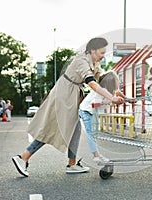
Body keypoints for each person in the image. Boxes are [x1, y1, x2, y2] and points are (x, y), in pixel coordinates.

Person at [12, 37, 124, 177]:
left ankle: (72, 164)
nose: (103, 56)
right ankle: (23, 157)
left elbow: (102, 78)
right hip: (64, 96)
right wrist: (111, 97)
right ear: (93, 50)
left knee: (75, 129)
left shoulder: (93, 62)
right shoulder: (81, 61)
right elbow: (92, 83)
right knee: (51, 128)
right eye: (101, 52)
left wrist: (117, 91)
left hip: (71, 95)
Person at [79, 70, 121, 163]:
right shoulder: (102, 91)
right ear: (112, 82)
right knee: (91, 133)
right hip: (86, 111)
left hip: (92, 112)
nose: (119, 82)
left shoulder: (110, 92)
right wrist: (104, 102)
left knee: (94, 133)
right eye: (117, 80)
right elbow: (94, 103)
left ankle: (96, 154)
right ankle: (96, 155)